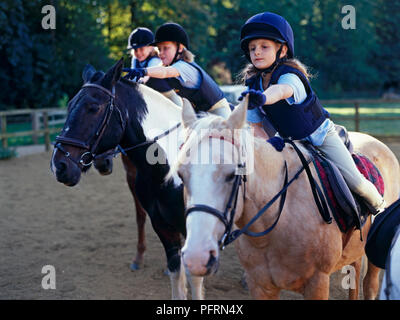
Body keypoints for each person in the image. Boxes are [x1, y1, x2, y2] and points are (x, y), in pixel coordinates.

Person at [238, 11, 386, 215]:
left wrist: (263, 98)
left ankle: (382, 210)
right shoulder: (252, 84)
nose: (257, 52)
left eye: (264, 47)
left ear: (282, 50)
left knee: (356, 181)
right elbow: (256, 127)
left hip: (321, 136)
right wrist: (269, 144)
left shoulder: (290, 75)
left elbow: (282, 91)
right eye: (252, 48)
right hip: (290, 141)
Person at [123, 22, 231, 118]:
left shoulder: (184, 66)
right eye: (159, 49)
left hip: (217, 112)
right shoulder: (167, 64)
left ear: (180, 48)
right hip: (199, 115)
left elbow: (165, 72)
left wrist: (143, 71)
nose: (160, 53)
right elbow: (161, 69)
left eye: (166, 48)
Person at [126, 27, 182, 106]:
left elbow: (144, 78)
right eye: (135, 50)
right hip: (151, 95)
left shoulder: (155, 60)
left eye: (141, 49)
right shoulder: (135, 59)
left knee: (182, 114)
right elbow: (133, 78)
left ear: (151, 47)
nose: (138, 53)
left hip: (167, 95)